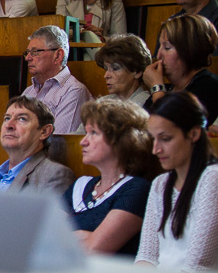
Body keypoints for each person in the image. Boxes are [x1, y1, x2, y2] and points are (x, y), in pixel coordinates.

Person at [136, 92, 218, 273]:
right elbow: (146, 256)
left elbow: (198, 265)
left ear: (193, 134)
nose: (155, 150)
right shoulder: (160, 183)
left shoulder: (214, 177)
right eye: (153, 139)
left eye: (165, 139)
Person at [64, 98, 154, 255]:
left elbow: (94, 249)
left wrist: (67, 238)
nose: (83, 142)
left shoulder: (136, 188)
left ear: (122, 140)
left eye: (93, 133)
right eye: (86, 133)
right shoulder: (80, 185)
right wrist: (84, 236)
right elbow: (43, 235)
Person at [143, 14, 218, 124]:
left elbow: (171, 126)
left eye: (167, 47)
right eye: (160, 46)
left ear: (190, 50)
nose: (158, 55)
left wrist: (156, 88)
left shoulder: (211, 87)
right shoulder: (167, 89)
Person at [0, 96, 74, 194]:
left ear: (44, 132)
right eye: (7, 118)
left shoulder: (54, 175)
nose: (9, 125)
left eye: (22, 119)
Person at [21, 26, 93, 133]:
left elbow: (60, 140)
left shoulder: (74, 91)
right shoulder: (28, 91)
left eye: (35, 52)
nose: (27, 58)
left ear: (58, 56)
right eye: (27, 52)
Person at [94, 34, 152, 107]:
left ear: (137, 72)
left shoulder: (147, 105)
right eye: (106, 69)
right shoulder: (102, 103)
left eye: (115, 68)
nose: (106, 76)